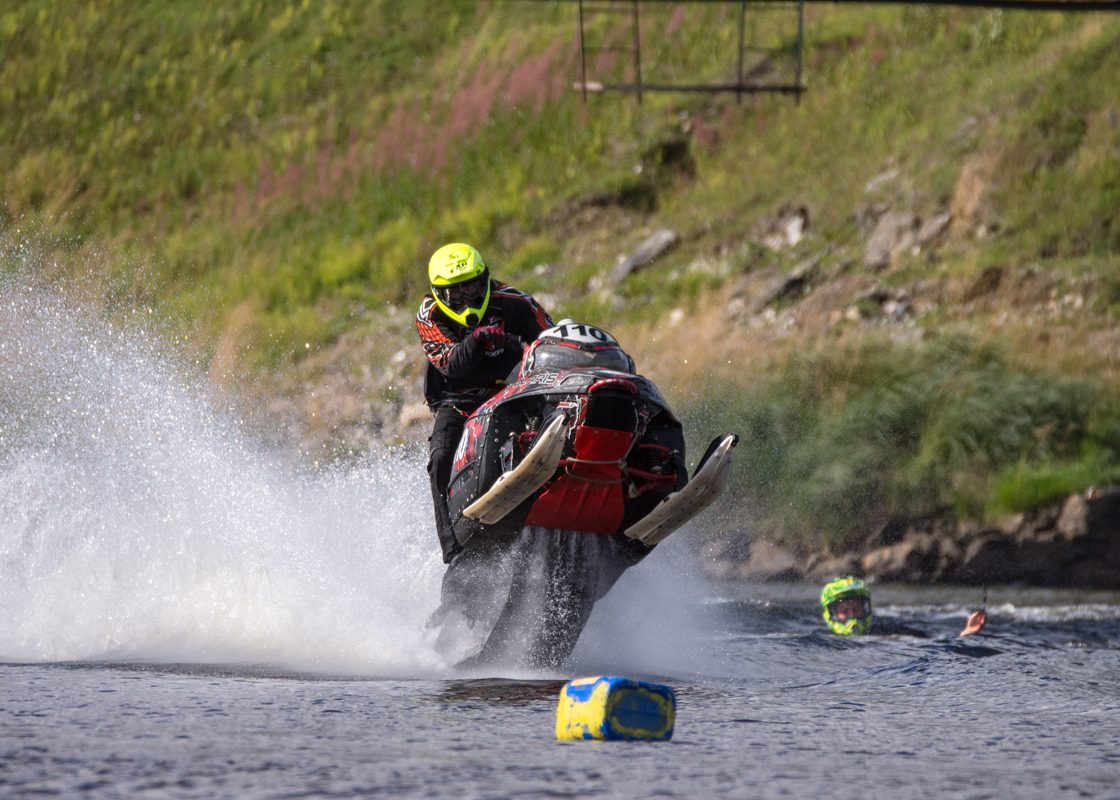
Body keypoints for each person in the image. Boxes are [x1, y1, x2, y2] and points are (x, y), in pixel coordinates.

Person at [415, 243, 553, 564]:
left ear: (485, 280)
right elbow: (451, 363)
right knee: (440, 456)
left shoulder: (514, 301)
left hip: (512, 390)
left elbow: (551, 337)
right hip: (457, 400)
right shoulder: (429, 314)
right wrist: (477, 340)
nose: (466, 299)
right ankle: (452, 548)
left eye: (472, 288)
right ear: (439, 294)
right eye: (455, 293)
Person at [820, 576, 988, 637]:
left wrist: (966, 633)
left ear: (866, 609)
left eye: (857, 610)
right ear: (831, 614)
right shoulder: (821, 640)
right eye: (845, 611)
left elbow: (936, 643)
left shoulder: (889, 631)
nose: (852, 616)